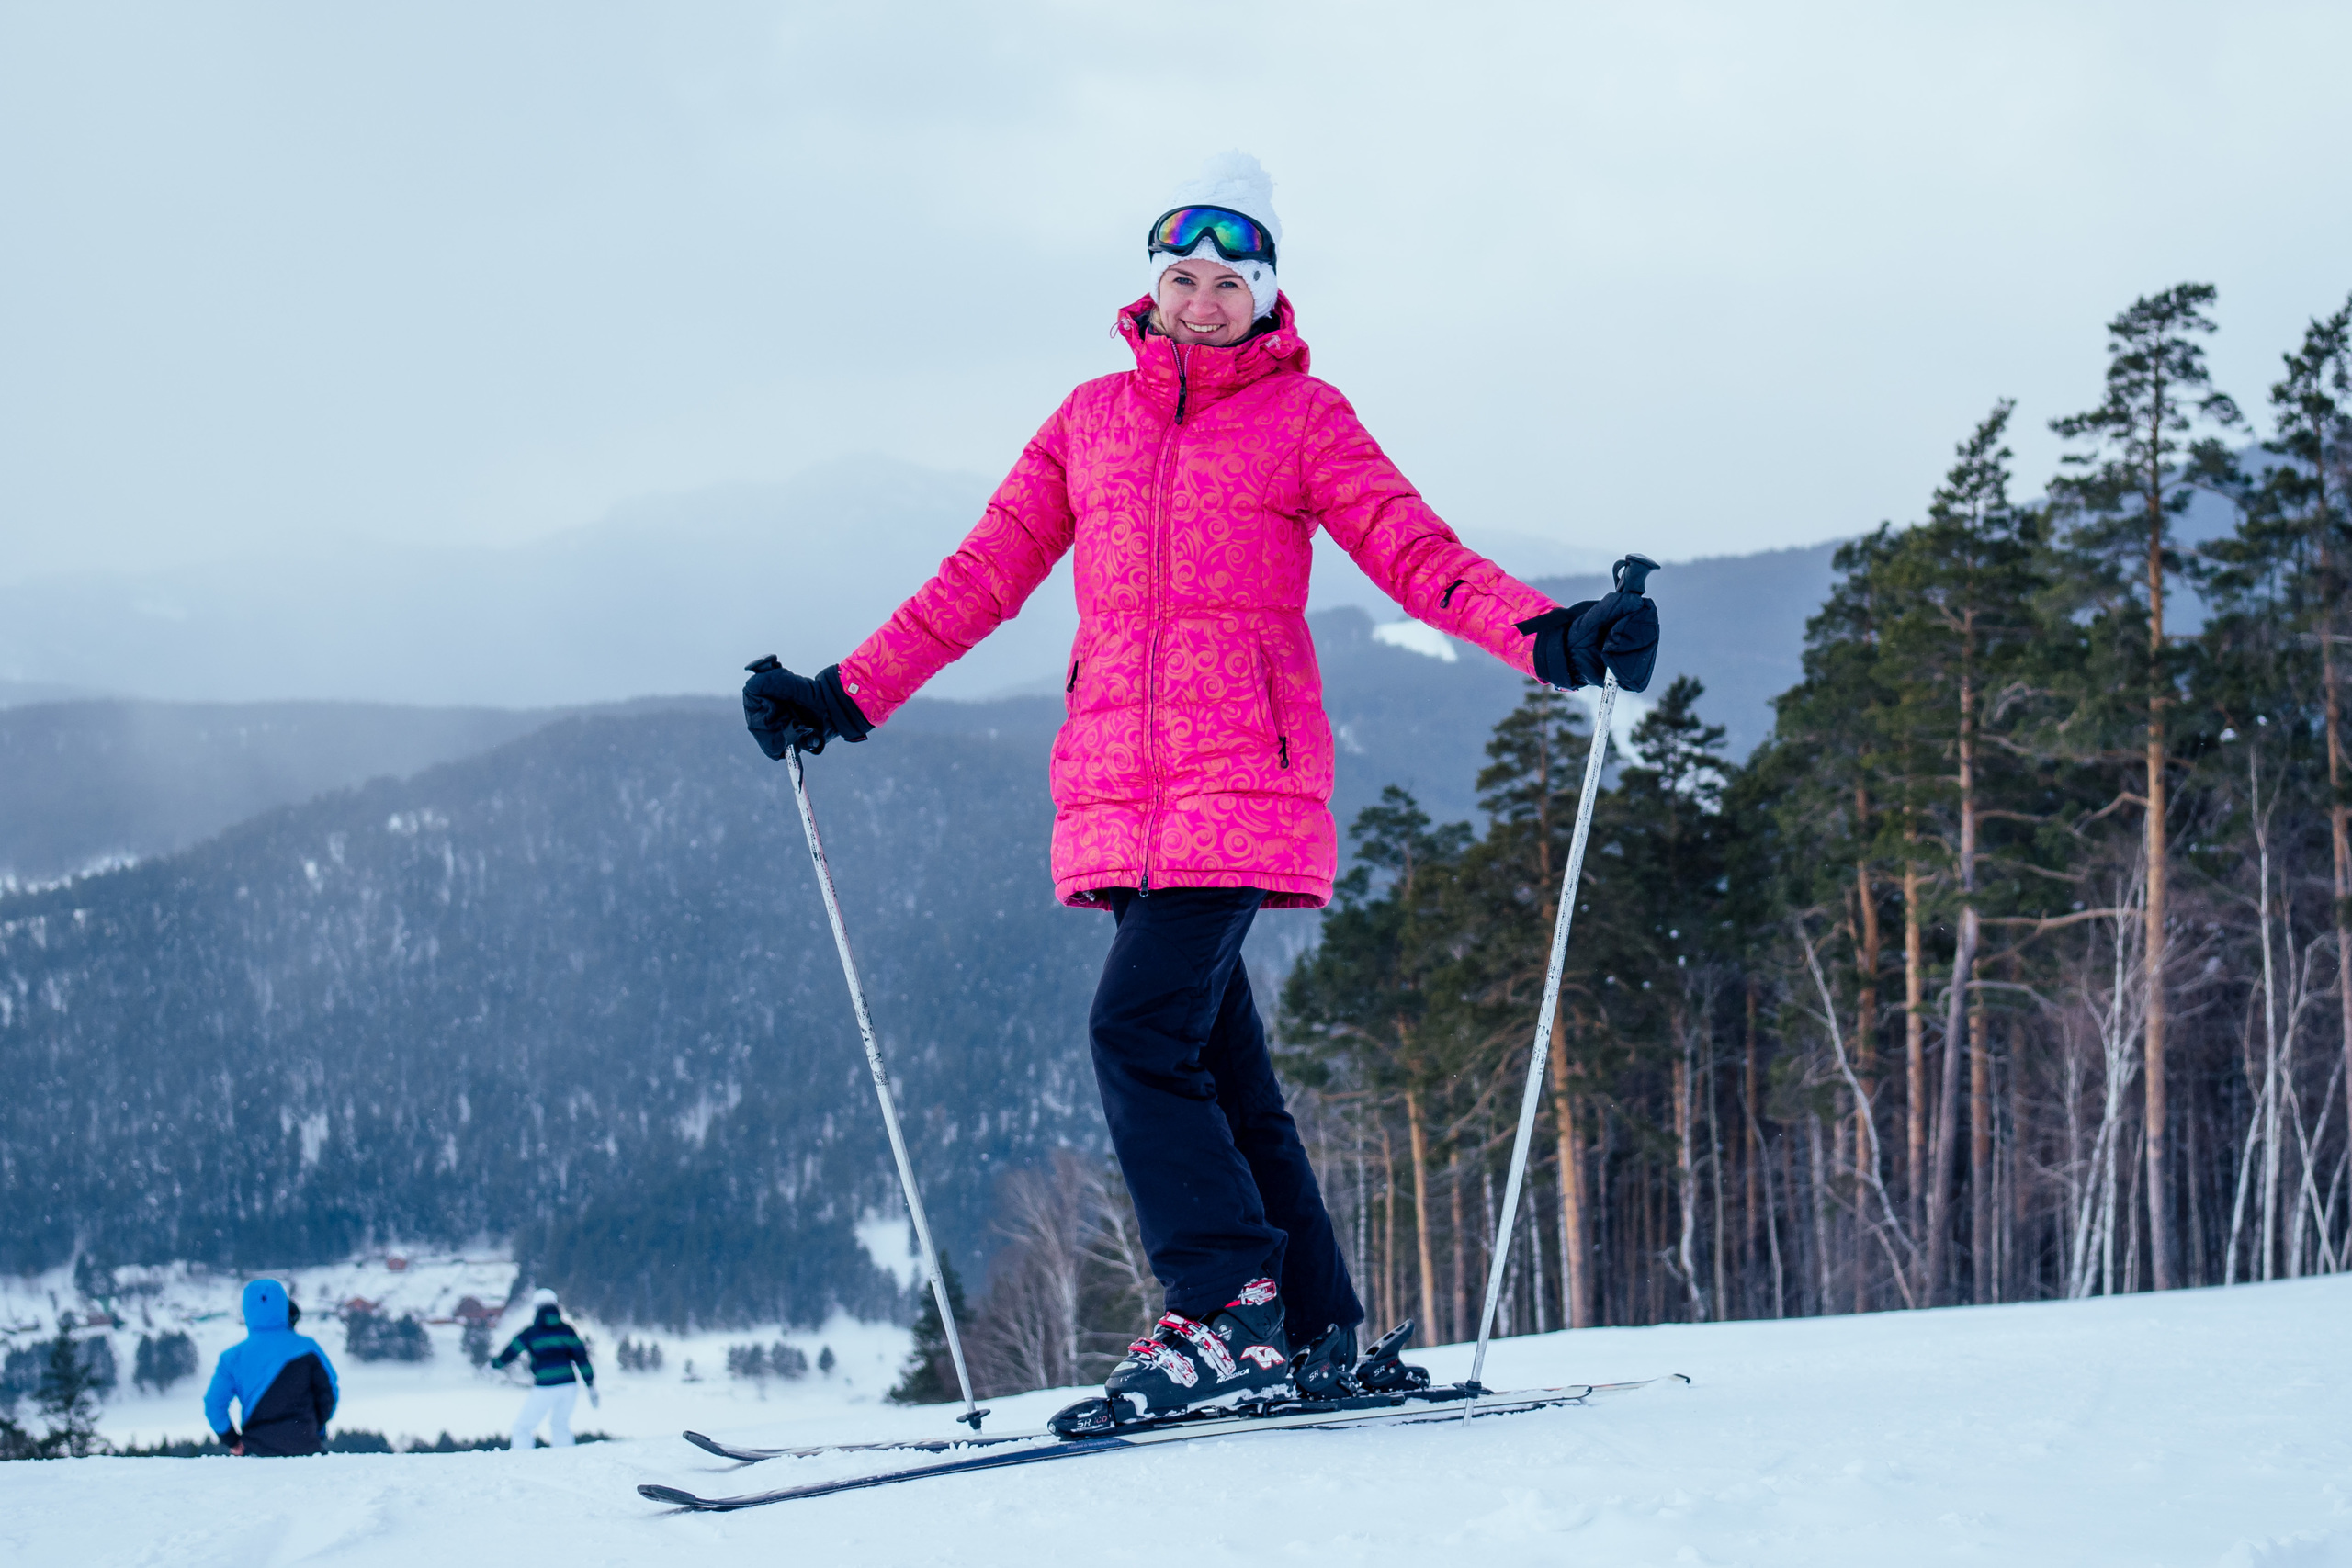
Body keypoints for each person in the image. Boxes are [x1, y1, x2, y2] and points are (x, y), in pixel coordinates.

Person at [741, 152, 1657, 1424]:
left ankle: (1226, 1303)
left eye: (1231, 278)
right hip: (1120, 795)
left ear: (1268, 291)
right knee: (1226, 1076)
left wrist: (1553, 635)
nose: (1203, 298)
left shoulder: (1304, 418)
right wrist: (846, 693)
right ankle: (1318, 1324)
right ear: (1150, 285)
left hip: (1242, 786)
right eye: (1182, 275)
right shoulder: (1088, 421)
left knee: (1135, 1031)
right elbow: (978, 577)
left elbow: (1412, 549)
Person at [203, 1279, 339, 1456]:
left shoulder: (232, 1358)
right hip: (306, 1446)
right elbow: (328, 1393)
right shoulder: (308, 1348)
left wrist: (233, 1441)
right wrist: (316, 1428)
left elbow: (214, 1405)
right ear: (284, 1306)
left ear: (247, 1310)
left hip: (256, 1452)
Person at [492, 1288, 597, 1450]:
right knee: (559, 1425)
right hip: (569, 1385)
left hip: (546, 1385)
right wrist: (590, 1384)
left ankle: (521, 1462)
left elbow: (512, 1350)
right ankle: (567, 1463)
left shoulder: (531, 1333)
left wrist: (495, 1364)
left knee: (522, 1428)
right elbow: (581, 1357)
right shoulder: (567, 1330)